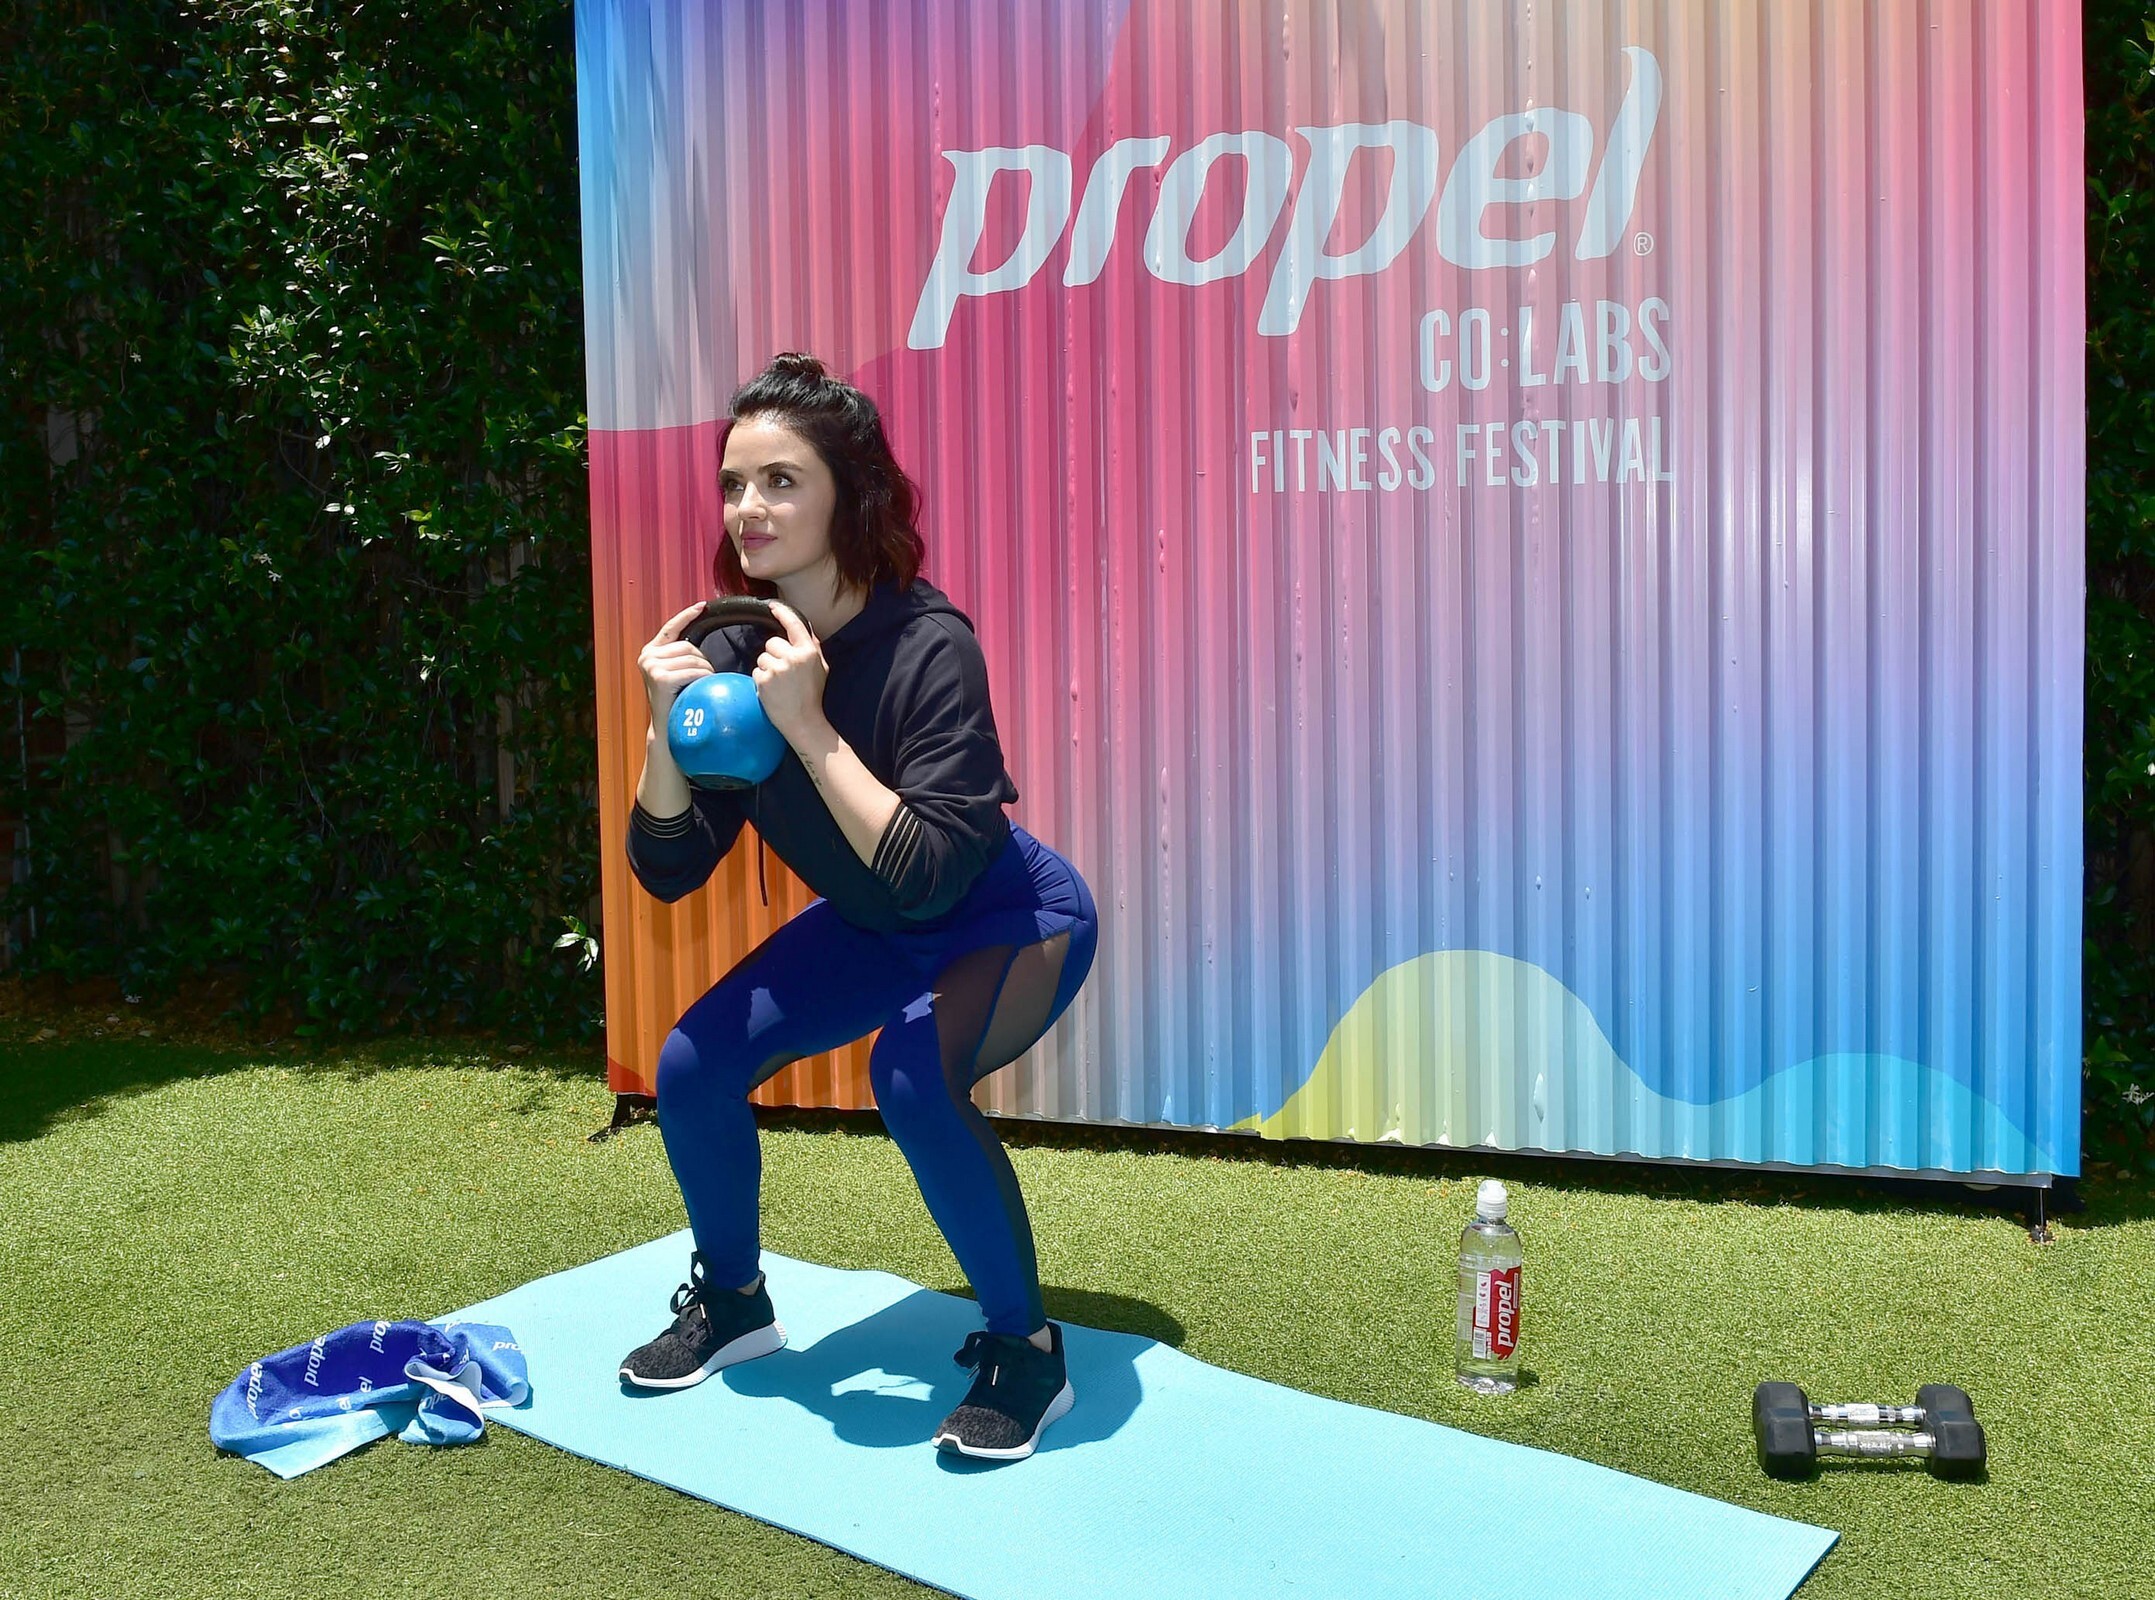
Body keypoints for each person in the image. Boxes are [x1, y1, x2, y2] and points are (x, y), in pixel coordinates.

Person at [615, 351, 1099, 1462]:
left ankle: (1027, 1349)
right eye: (734, 483)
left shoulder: (930, 645)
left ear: (850, 495)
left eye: (781, 481)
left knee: (911, 1077)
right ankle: (734, 1302)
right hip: (876, 925)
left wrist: (808, 725)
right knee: (690, 1066)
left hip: (1008, 917)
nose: (748, 506)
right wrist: (662, 730)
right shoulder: (733, 651)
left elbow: (930, 871)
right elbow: (670, 872)